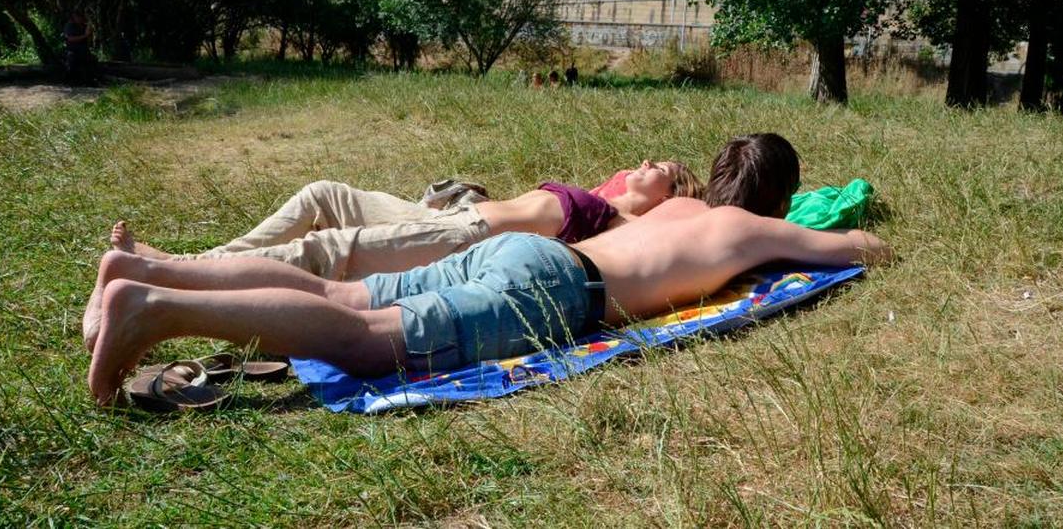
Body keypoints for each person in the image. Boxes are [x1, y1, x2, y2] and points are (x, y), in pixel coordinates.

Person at [85, 133, 891, 405]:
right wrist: (837, 230)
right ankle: (155, 310)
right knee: (365, 340)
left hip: (529, 256)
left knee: (338, 289)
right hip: (556, 289)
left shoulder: (674, 209)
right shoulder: (750, 228)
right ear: (776, 199)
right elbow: (853, 251)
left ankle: (153, 278)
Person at [85, 161, 705, 350]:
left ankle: (155, 281)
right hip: (444, 217)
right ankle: (177, 263)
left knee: (327, 252)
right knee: (322, 194)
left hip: (464, 241)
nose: (647, 164)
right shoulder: (601, 194)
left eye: (665, 172)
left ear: (672, 202)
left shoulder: (623, 224)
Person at [63, 10, 97, 85]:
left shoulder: (84, 26)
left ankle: (89, 80)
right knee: (72, 61)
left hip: (83, 50)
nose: (80, 19)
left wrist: (89, 31)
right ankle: (71, 80)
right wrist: (85, 35)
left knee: (90, 60)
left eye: (81, 17)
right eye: (78, 17)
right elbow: (70, 39)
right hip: (72, 49)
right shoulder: (69, 26)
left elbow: (89, 40)